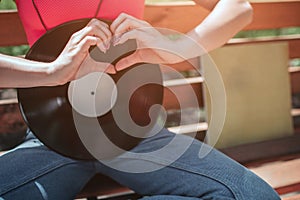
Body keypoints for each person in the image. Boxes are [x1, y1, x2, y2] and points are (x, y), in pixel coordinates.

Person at [0, 0, 281, 199]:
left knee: (253, 195)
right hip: (51, 137)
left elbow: (238, 7)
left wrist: (176, 49)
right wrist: (52, 71)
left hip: (134, 134)